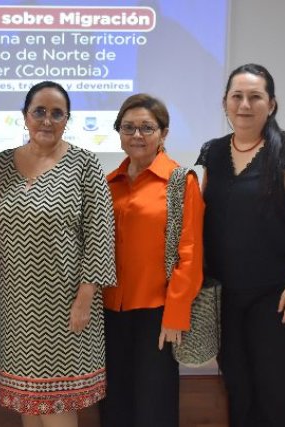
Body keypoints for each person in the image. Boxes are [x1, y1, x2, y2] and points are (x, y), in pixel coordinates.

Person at [196, 63, 285, 427]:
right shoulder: (214, 152)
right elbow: (206, 216)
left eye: (255, 97)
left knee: (277, 391)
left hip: (280, 294)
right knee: (239, 387)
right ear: (225, 102)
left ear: (272, 104)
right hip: (228, 296)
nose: (245, 104)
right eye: (237, 96)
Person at [0, 80, 116, 427]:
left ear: (67, 119)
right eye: (39, 111)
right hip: (14, 308)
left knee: (58, 408)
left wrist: (86, 297)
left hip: (68, 306)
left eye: (57, 113)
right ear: (24, 117)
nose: (47, 120)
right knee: (27, 405)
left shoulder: (85, 165)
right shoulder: (0, 165)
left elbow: (100, 236)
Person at [99, 93, 204, 427]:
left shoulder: (180, 181)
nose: (137, 135)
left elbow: (190, 253)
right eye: (128, 127)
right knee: (114, 404)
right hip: (109, 311)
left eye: (147, 127)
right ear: (119, 133)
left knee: (153, 407)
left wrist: (175, 314)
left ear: (164, 133)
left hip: (157, 314)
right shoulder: (108, 183)